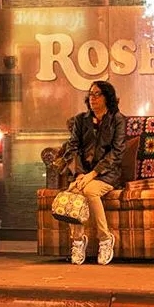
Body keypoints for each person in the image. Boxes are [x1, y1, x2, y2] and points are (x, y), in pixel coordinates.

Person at [56, 80, 126, 266]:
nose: (92, 98)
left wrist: (93, 174)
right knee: (74, 191)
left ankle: (105, 239)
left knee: (90, 191)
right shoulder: (81, 120)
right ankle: (78, 241)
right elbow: (72, 148)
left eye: (97, 94)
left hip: (107, 173)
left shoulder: (117, 120)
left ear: (107, 98)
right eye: (91, 94)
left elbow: (116, 153)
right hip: (84, 173)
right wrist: (79, 173)